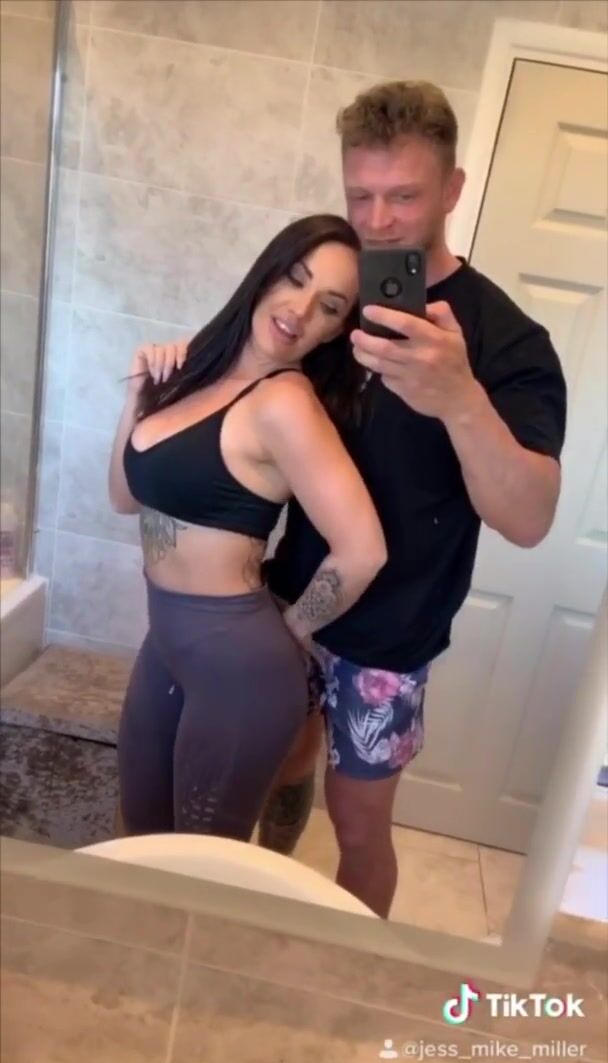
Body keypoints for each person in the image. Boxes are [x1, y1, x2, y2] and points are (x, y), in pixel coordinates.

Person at [142, 81, 567, 917]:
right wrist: (177, 362)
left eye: (403, 196)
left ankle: (349, 963)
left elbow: (529, 518)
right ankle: (270, 906)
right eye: (359, 196)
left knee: (361, 823)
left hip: (392, 636)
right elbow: (247, 376)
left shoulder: (507, 341)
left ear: (452, 188)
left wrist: (459, 399)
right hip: (287, 602)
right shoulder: (336, 307)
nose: (377, 221)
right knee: (279, 769)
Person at [108, 214, 387, 843]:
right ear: (268, 273)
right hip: (166, 644)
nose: (300, 310)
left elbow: (363, 551)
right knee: (140, 838)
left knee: (200, 864)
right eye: (296, 278)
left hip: (241, 669)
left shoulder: (285, 403)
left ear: (336, 329)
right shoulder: (199, 373)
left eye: (329, 306)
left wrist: (291, 633)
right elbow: (124, 497)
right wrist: (138, 397)